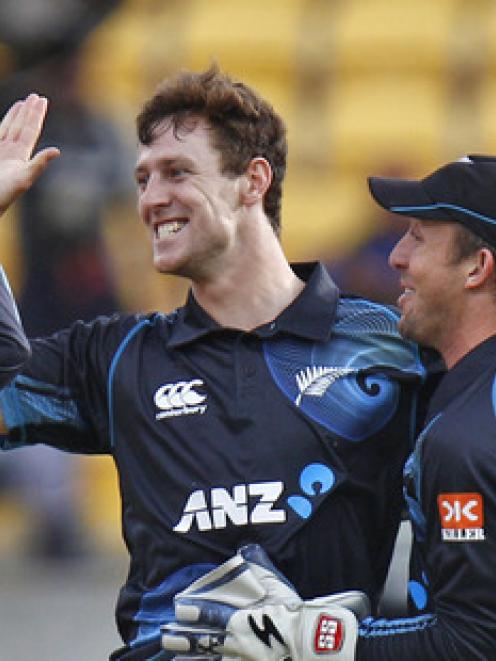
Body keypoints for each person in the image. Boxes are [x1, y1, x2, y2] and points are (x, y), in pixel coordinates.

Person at [0, 70, 430, 660]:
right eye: (143, 179)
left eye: (177, 172)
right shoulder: (117, 356)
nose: (151, 199)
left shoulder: (390, 345)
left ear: (253, 180)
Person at [162, 154, 496, 660]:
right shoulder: (466, 396)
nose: (396, 257)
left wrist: (307, 636)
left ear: (478, 267)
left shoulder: (465, 437)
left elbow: (473, 642)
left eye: (419, 238)